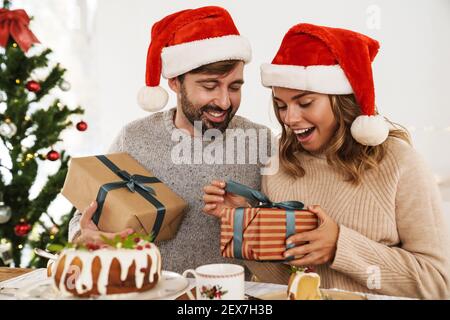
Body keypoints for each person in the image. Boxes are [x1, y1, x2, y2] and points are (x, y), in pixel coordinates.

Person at [202, 23, 450, 299]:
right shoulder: (282, 165)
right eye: (281, 105)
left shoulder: (401, 164)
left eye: (305, 103)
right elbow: (286, 283)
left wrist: (339, 247)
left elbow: (438, 284)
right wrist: (245, 225)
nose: (290, 119)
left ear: (342, 100)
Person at [68, 6, 274, 276]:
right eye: (209, 86)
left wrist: (244, 218)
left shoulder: (260, 142)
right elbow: (81, 219)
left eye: (235, 87)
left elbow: (283, 238)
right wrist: (84, 237)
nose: (224, 101)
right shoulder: (135, 139)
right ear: (175, 82)